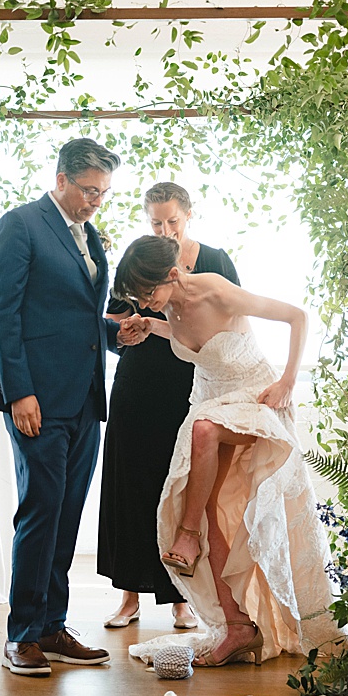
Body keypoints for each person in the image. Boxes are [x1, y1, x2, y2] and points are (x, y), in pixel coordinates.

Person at [113, 236, 342, 667]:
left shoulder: (216, 288)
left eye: (150, 292)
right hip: (213, 402)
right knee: (216, 512)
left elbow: (296, 317)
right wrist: (152, 326)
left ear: (174, 274)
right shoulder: (165, 307)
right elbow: (189, 335)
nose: (145, 302)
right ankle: (237, 627)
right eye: (139, 296)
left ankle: (186, 537)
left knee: (200, 431)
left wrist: (288, 380)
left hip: (255, 399)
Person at [0, 138, 142, 677]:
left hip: (83, 398)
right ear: (61, 179)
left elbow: (75, 318)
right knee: (40, 513)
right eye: (89, 190)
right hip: (36, 397)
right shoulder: (22, 224)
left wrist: (118, 333)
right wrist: (19, 391)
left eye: (103, 192)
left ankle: (53, 626)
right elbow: (3, 314)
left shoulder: (89, 235)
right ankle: (22, 634)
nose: (96, 200)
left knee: (66, 515)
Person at [97, 183, 239, 632]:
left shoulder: (216, 262)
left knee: (181, 490)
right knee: (132, 486)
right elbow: (113, 319)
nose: (165, 230)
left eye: (172, 221)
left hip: (192, 387)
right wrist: (127, 329)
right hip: (138, 387)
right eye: (156, 222)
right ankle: (128, 597)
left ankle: (182, 599)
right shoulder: (140, 259)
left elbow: (232, 327)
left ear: (190, 215)